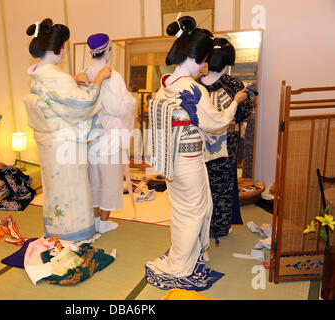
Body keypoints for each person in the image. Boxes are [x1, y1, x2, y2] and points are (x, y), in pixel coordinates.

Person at [145, 16, 248, 291]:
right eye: (203, 59)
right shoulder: (193, 88)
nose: (204, 65)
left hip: (172, 160)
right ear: (195, 57)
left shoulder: (164, 84)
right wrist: (235, 103)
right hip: (189, 161)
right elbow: (216, 123)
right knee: (195, 212)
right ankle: (182, 264)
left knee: (181, 212)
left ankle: (185, 255)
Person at [23, 18, 111, 241]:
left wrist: (72, 80)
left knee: (55, 188)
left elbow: (52, 95)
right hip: (64, 143)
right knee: (72, 188)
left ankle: (57, 230)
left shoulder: (39, 75)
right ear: (57, 48)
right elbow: (83, 104)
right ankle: (74, 234)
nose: (64, 51)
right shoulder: (56, 77)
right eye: (64, 47)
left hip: (48, 144)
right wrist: (99, 79)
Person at [198, 37, 255, 240]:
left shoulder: (196, 84)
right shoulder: (234, 85)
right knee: (222, 187)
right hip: (226, 142)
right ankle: (220, 228)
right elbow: (244, 113)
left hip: (198, 143)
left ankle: (199, 229)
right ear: (229, 59)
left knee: (201, 187)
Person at [84, 33, 136, 234]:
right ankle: (103, 223)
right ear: (108, 50)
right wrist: (130, 100)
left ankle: (96, 220)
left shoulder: (85, 73)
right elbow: (118, 108)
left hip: (90, 137)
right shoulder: (113, 75)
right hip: (109, 137)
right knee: (110, 181)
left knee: (94, 180)